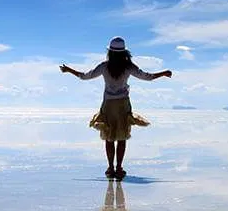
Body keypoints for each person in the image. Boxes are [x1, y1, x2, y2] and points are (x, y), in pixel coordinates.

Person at [60, 36, 172, 179]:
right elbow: (147, 77)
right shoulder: (128, 66)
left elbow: (84, 76)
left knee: (109, 137)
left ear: (110, 52)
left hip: (108, 105)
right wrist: (163, 73)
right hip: (123, 105)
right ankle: (119, 168)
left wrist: (69, 70)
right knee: (122, 137)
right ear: (125, 52)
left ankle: (110, 168)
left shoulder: (104, 66)